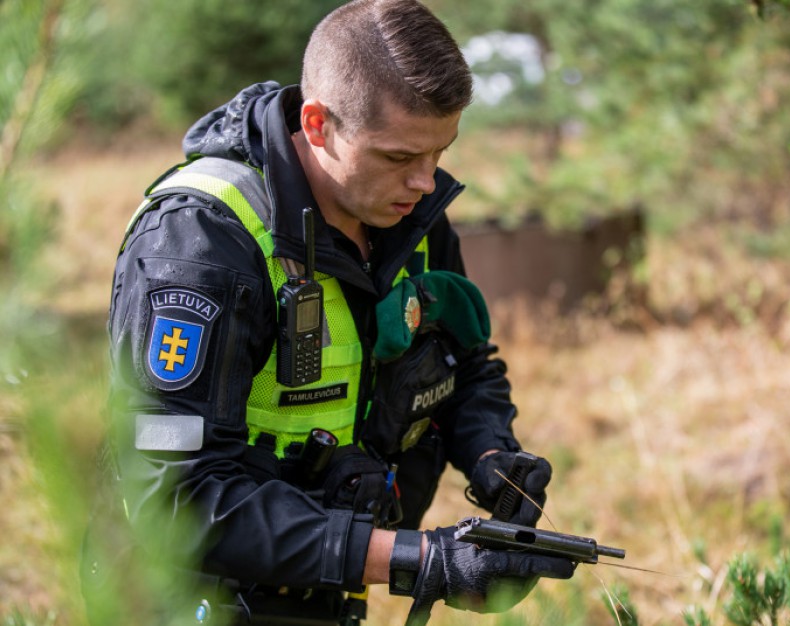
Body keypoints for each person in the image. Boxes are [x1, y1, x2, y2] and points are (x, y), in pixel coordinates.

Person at [82, 1, 574, 624]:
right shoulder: (201, 242)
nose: (426, 183)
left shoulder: (406, 215)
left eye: (440, 152)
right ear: (317, 125)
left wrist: (492, 457)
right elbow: (171, 497)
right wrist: (415, 560)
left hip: (325, 592)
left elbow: (463, 365)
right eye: (399, 157)